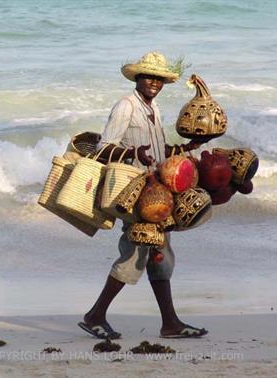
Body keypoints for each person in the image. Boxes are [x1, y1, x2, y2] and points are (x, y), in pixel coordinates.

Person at [78, 52, 210, 339]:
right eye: (149, 77)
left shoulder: (154, 109)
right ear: (138, 78)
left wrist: (189, 146)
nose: (154, 82)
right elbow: (103, 148)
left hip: (159, 193)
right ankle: (95, 315)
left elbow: (159, 152)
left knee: (160, 255)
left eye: (159, 78)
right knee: (135, 253)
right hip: (134, 193)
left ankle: (170, 323)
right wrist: (131, 153)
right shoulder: (126, 106)